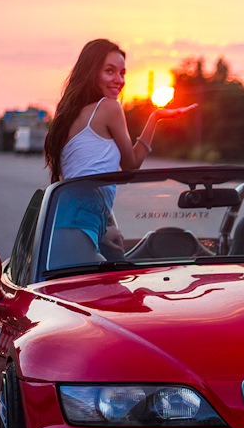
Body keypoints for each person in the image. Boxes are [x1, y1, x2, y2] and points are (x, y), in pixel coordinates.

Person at [43, 38, 197, 267]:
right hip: (79, 224)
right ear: (91, 73)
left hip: (71, 220)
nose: (119, 80)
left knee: (116, 285)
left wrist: (106, 226)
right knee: (108, 293)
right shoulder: (109, 108)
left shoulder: (70, 115)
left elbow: (84, 180)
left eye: (123, 73)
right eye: (109, 71)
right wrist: (155, 118)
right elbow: (131, 165)